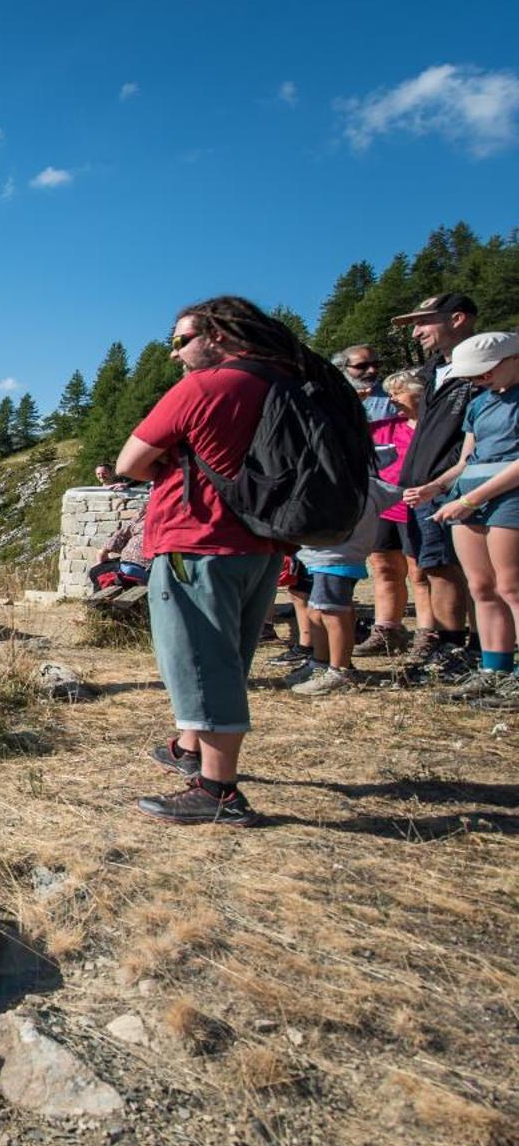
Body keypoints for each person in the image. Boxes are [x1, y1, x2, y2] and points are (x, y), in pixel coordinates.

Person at [111, 296, 327, 828]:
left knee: (199, 661)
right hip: (261, 542)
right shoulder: (286, 384)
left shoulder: (206, 387)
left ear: (220, 336)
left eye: (183, 340)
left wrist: (166, 455)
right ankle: (191, 748)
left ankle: (218, 790)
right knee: (227, 654)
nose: (175, 354)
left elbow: (128, 462)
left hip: (199, 538)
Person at [405, 331, 519, 706]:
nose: (478, 380)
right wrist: (435, 487)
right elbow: (466, 460)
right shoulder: (480, 403)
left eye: (484, 372)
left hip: (506, 497)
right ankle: (494, 668)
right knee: (482, 588)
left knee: (511, 588)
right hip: (468, 498)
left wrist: (472, 498)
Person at [392, 293, 481, 679]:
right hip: (422, 486)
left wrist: (446, 478)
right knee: (432, 566)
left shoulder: (481, 368)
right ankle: (450, 645)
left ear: (457, 318)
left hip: (454, 483)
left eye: (424, 322)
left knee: (458, 569)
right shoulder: (431, 373)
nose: (416, 332)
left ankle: (467, 649)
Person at [285, 474, 399, 695]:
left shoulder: (354, 483)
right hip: (320, 558)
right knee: (317, 613)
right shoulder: (354, 482)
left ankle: (340, 672)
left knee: (333, 614)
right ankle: (320, 663)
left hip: (336, 559)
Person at [353, 370, 429, 657]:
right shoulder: (384, 427)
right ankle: (387, 629)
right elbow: (349, 428)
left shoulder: (433, 429)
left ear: (420, 394)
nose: (392, 399)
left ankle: (427, 632)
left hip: (419, 506)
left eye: (399, 392)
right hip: (385, 508)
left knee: (420, 573)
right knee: (384, 570)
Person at [333, 343, 399, 423]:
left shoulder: (394, 394)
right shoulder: (331, 397)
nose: (372, 370)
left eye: (376, 365)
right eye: (362, 366)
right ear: (341, 368)